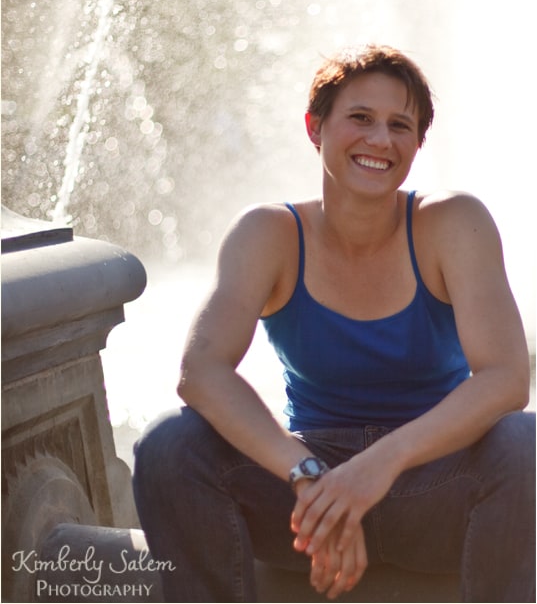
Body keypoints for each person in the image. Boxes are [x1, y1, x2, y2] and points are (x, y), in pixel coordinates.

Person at [132, 44, 535, 603]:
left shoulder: (453, 223)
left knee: (526, 440)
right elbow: (201, 372)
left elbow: (506, 379)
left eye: (401, 125)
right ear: (315, 127)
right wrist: (309, 474)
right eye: (361, 118)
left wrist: (378, 466)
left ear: (418, 145)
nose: (380, 140)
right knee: (169, 444)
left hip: (434, 486)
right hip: (307, 501)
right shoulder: (268, 233)